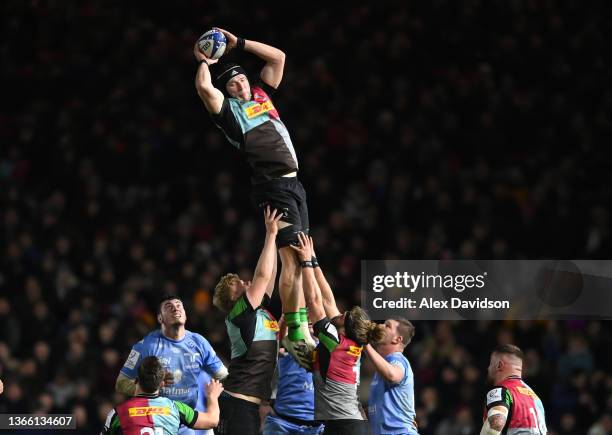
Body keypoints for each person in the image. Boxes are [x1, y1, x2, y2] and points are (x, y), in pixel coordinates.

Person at [194, 28, 314, 359]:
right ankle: (296, 330)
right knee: (291, 257)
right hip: (272, 185)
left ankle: (296, 326)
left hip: (294, 183)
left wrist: (240, 44)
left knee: (304, 256)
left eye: (242, 80)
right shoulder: (228, 112)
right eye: (232, 84)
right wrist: (205, 60)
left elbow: (279, 57)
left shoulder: (262, 95)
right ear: (228, 90)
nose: (240, 85)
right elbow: (205, 87)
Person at [290, 233, 384, 435]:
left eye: (343, 316)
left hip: (345, 426)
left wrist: (305, 263)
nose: (339, 313)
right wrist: (313, 260)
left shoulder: (335, 341)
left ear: (344, 329)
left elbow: (315, 301)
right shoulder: (349, 341)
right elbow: (328, 299)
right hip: (348, 423)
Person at [212, 207, 283, 435]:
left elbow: (269, 277)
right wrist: (270, 234)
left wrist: (276, 240)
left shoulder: (259, 313)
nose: (246, 282)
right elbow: (262, 277)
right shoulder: (238, 314)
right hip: (238, 404)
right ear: (235, 299)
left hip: (248, 406)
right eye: (241, 285)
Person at [115, 295, 228, 435]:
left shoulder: (199, 343)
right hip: (159, 421)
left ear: (185, 315)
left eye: (179, 305)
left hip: (190, 421)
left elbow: (224, 376)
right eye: (169, 307)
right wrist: (152, 383)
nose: (175, 309)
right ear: (160, 318)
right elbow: (120, 383)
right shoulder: (145, 347)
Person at [102, 356, 223, 434]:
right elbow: (212, 420)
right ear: (162, 384)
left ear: (135, 380)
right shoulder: (175, 408)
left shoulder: (118, 413)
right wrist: (212, 396)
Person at [261, 328, 325, 435]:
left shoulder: (330, 348)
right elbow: (280, 336)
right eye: (305, 312)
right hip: (281, 424)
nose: (308, 317)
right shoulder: (287, 345)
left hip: (315, 428)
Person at [365, 318, 419, 435]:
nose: (381, 325)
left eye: (387, 326)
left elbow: (392, 375)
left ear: (397, 339)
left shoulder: (398, 360)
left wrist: (365, 344)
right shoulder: (382, 367)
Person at [480, 344, 548, 435]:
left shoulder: (502, 391)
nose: (488, 368)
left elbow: (495, 425)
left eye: (491, 364)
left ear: (499, 365)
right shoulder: (536, 398)